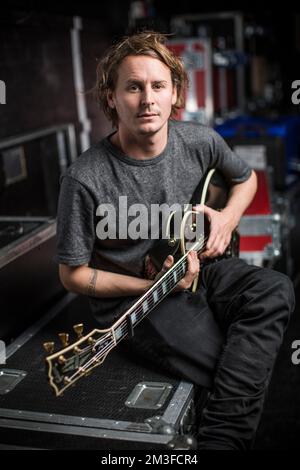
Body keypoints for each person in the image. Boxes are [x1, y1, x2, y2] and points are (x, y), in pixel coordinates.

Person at [55, 31, 295, 450]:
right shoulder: (83, 178)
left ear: (175, 94)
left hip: (197, 262)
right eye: (133, 87)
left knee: (276, 288)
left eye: (158, 86)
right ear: (111, 98)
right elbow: (72, 275)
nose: (147, 99)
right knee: (236, 364)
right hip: (134, 300)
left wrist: (224, 220)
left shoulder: (199, 141)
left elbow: (245, 178)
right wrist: (148, 287)